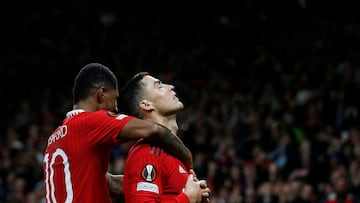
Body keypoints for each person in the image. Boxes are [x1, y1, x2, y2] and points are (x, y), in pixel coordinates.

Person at [42, 63, 194, 203]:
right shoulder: (91, 122)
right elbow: (154, 130)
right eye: (115, 100)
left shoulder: (56, 139)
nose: (115, 109)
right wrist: (187, 157)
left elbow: (108, 183)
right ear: (101, 94)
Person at [120, 72, 211, 202]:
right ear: (146, 104)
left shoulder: (174, 153)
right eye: (159, 86)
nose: (171, 87)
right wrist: (187, 198)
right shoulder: (147, 152)